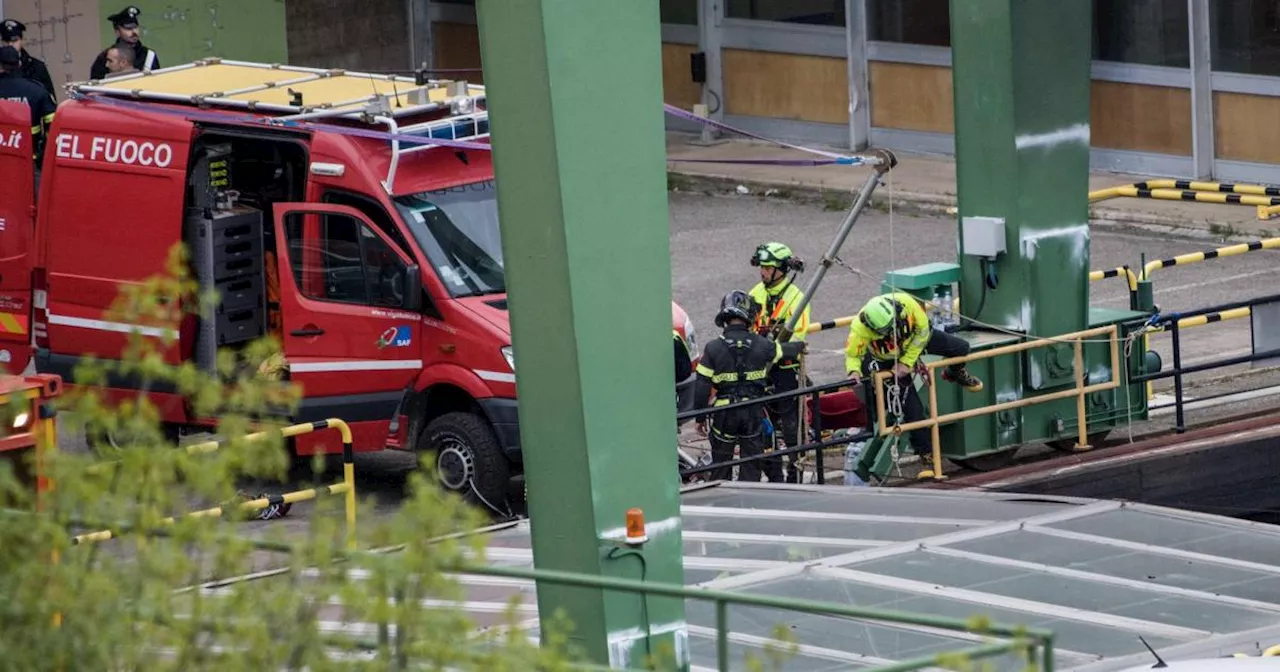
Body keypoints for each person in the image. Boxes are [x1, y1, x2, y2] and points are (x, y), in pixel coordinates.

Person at [844, 291, 984, 475]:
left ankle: (954, 372)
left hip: (912, 345)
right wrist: (853, 371)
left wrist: (907, 362)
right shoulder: (860, 328)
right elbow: (854, 354)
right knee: (913, 411)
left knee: (961, 348)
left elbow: (923, 332)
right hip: (887, 361)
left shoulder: (907, 304)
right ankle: (926, 456)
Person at [694, 290, 807, 483]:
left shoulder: (712, 348)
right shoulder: (762, 344)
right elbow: (784, 351)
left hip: (724, 414)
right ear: (749, 317)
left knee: (721, 466)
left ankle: (723, 504)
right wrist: (800, 347)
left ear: (725, 318)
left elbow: (702, 385)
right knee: (752, 466)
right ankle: (748, 502)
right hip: (753, 413)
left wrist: (700, 418)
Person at [747, 241, 811, 483]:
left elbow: (796, 341)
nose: (762, 272)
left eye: (767, 267)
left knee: (792, 426)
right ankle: (775, 477)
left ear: (781, 270)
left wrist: (766, 350)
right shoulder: (755, 294)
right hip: (761, 369)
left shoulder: (797, 299)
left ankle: (795, 474)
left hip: (786, 370)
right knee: (763, 427)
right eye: (761, 266)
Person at [0, 45, 56, 168]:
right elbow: (52, 127)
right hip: (29, 160)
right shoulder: (36, 90)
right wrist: (44, 153)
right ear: (19, 64)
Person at [89, 6, 159, 80]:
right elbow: (95, 86)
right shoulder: (104, 57)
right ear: (117, 32)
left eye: (135, 27)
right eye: (128, 28)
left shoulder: (149, 55)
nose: (134, 32)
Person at [0, 19, 55, 99]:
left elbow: (49, 100)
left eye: (15, 40)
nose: (10, 45)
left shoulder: (36, 67)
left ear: (22, 40)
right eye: (6, 41)